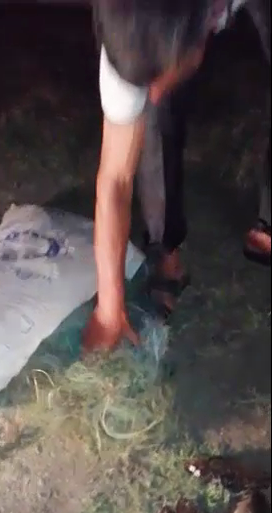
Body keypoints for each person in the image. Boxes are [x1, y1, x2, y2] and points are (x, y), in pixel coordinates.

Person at [83, 0, 271, 352]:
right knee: (156, 113)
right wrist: (109, 309)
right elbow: (115, 180)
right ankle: (166, 249)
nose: (150, 93)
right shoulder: (128, 27)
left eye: (157, 78)